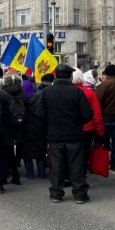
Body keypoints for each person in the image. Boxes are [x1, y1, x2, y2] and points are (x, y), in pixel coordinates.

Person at [37, 64, 94, 204]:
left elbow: (39, 114)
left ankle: (56, 193)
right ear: (70, 76)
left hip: (55, 134)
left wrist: (50, 124)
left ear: (56, 75)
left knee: (57, 165)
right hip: (75, 134)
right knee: (77, 165)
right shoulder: (77, 92)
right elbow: (87, 115)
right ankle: (79, 194)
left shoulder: (47, 91)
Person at [72, 69, 104, 177]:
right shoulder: (89, 93)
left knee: (71, 153)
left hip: (69, 128)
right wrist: (99, 131)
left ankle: (70, 175)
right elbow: (96, 114)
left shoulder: (64, 92)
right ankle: (82, 174)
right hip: (87, 128)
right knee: (84, 153)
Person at [0, 74, 27, 185]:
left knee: (6, 151)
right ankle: (16, 175)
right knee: (15, 150)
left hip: (5, 127)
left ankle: (6, 175)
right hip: (19, 125)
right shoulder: (22, 93)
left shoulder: (1, 94)